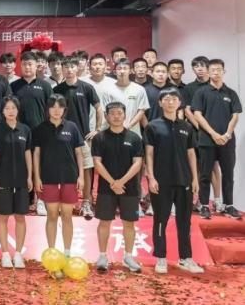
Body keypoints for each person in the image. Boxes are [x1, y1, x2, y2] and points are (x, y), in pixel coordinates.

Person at [145, 87, 204, 274]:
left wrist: (195, 179)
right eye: (167, 99)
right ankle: (161, 258)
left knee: (184, 221)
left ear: (180, 103)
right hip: (161, 181)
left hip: (184, 180)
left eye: (174, 99)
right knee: (160, 220)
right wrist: (151, 177)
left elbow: (191, 154)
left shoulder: (187, 127)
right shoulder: (153, 126)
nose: (170, 102)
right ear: (160, 102)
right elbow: (149, 154)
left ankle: (185, 258)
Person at [92, 102, 143, 273]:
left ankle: (128, 256)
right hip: (106, 189)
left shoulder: (134, 138)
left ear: (125, 115)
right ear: (106, 116)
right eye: (112, 113)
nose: (116, 116)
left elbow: (137, 163)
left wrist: (121, 182)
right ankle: (102, 256)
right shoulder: (99, 138)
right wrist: (113, 183)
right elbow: (97, 163)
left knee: (129, 223)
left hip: (130, 189)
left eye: (119, 113)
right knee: (104, 222)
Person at [33, 94, 85, 258]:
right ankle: (52, 252)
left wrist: (81, 176)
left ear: (64, 109)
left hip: (70, 178)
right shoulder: (40, 129)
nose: (56, 110)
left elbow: (79, 153)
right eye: (53, 107)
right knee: (52, 215)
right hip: (48, 178)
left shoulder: (72, 127)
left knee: (67, 216)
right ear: (47, 109)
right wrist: (37, 177)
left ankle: (67, 253)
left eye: (60, 107)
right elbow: (36, 154)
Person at [192, 59, 242, 220]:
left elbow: (235, 115)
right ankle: (204, 205)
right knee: (205, 175)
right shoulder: (201, 92)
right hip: (207, 140)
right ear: (208, 72)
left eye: (219, 69)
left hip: (227, 141)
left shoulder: (231, 93)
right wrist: (213, 134)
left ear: (223, 71)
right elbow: (197, 115)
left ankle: (229, 205)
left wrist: (227, 134)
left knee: (228, 174)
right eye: (213, 70)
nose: (216, 72)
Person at [53, 56, 102, 220]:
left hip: (83, 137)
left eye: (71, 67)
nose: (68, 70)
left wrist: (97, 129)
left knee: (87, 169)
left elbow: (98, 107)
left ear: (77, 68)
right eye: (65, 67)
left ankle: (86, 202)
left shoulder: (86, 87)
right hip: (62, 137)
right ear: (62, 69)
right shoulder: (57, 89)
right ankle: (68, 201)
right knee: (65, 169)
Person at [102, 58, 150, 216]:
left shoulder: (139, 89)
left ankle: (135, 202)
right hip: (111, 135)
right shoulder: (108, 89)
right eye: (119, 68)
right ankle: (114, 202)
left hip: (133, 134)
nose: (122, 71)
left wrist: (128, 126)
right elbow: (105, 112)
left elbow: (142, 110)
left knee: (135, 170)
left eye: (125, 68)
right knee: (113, 167)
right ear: (115, 71)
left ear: (131, 71)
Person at [0, 96, 31, 269]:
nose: (10, 111)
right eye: (7, 108)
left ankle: (19, 254)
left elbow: (28, 153)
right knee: (3, 217)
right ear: (2, 111)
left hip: (21, 179)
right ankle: (5, 254)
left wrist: (30, 176)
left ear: (18, 110)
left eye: (13, 108)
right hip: (3, 178)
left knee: (20, 217)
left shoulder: (25, 130)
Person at [11, 51, 53, 216]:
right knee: (23, 166)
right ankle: (26, 200)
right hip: (20, 133)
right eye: (24, 64)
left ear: (37, 66)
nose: (27, 67)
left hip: (41, 132)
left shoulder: (45, 86)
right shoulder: (14, 86)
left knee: (40, 167)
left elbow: (52, 109)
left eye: (30, 64)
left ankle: (41, 200)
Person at [184, 55, 223, 213]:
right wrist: (200, 127)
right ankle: (201, 200)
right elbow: (187, 110)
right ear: (192, 69)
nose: (200, 69)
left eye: (202, 66)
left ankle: (218, 200)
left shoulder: (216, 86)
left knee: (214, 167)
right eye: (196, 66)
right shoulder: (189, 88)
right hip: (197, 133)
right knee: (199, 167)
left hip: (215, 133)